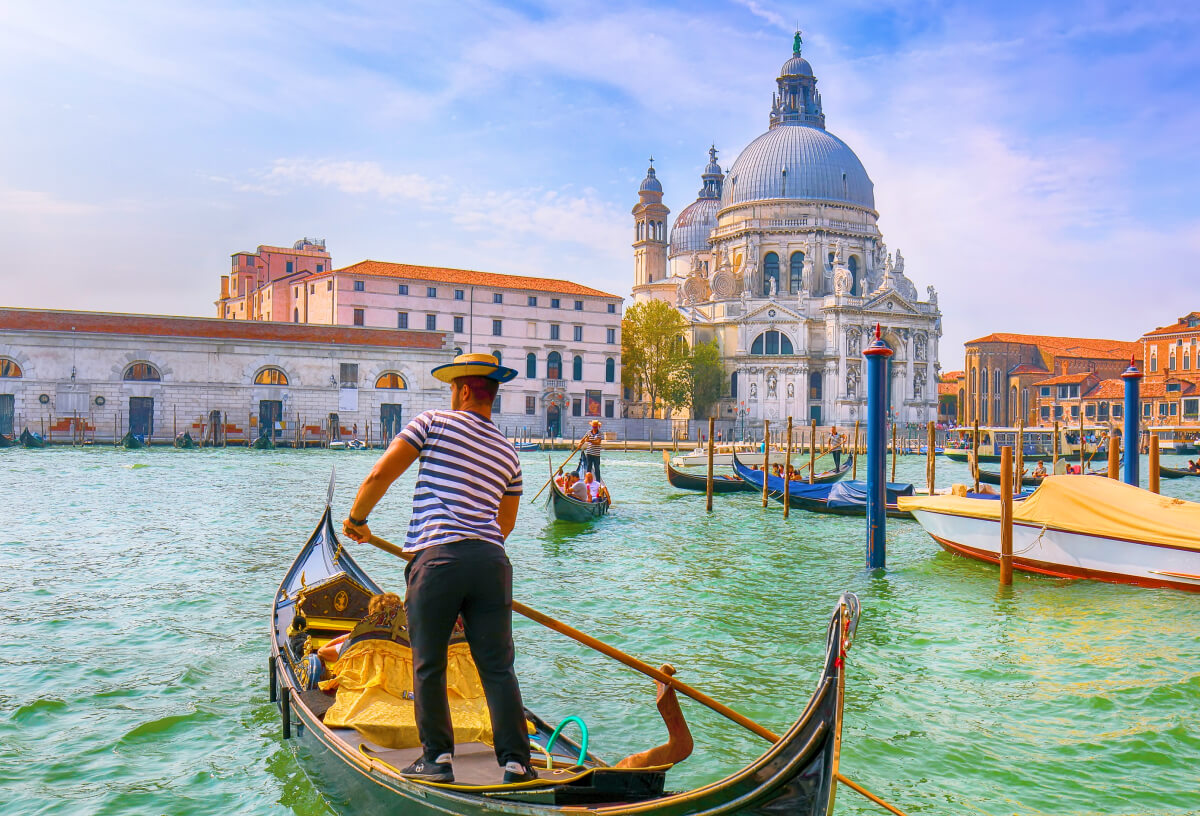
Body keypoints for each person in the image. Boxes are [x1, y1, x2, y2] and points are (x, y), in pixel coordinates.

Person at [341, 352, 536, 785]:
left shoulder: (432, 423)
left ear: (464, 390)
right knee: (498, 667)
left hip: (437, 559)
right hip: (490, 562)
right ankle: (517, 762)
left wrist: (357, 519)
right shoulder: (509, 452)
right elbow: (505, 524)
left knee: (429, 663)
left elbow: (379, 475)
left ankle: (437, 760)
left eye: (453, 390)